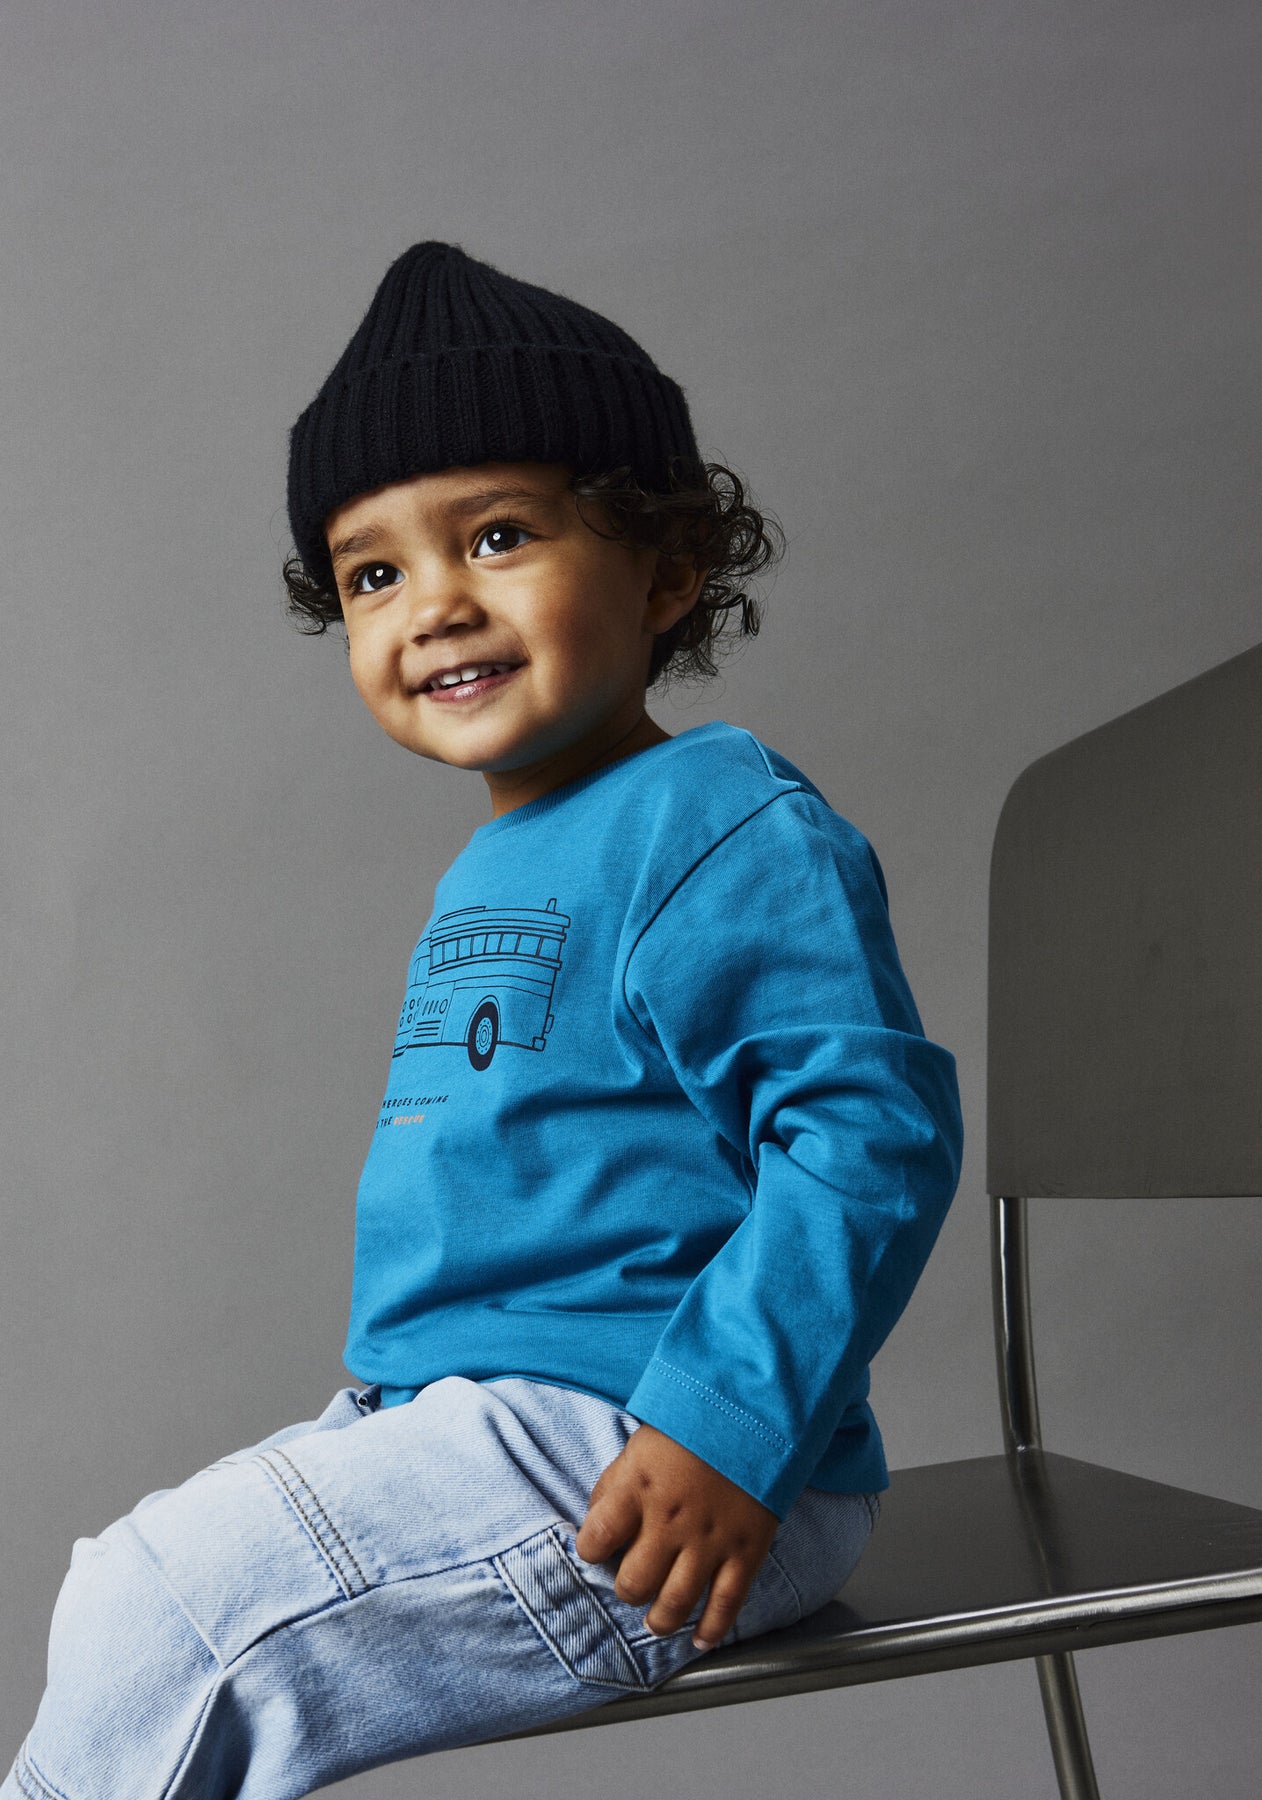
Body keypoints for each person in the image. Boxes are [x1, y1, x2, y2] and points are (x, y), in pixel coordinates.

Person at [3, 242, 962, 1800]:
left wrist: (726, 1425)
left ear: (666, 569)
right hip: (480, 1413)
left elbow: (869, 1139)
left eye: (498, 536)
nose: (434, 604)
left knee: (168, 1610)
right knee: (125, 1593)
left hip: (672, 1451)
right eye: (372, 574)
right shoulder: (502, 859)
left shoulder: (715, 818)